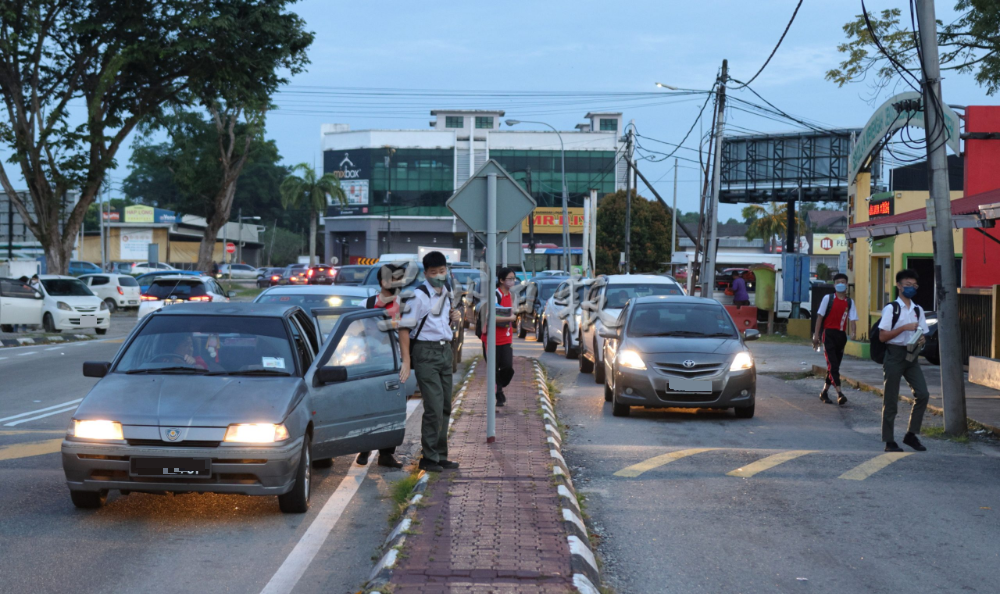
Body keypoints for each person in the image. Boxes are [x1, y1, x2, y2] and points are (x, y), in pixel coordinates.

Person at [399, 251, 462, 473]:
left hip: (445, 351)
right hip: (426, 353)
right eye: (433, 272)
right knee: (433, 406)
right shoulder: (418, 296)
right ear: (425, 273)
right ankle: (428, 457)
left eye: (442, 271)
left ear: (447, 271)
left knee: (445, 405)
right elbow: (404, 328)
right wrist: (406, 361)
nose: (438, 275)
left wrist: (455, 319)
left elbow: (443, 323)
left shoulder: (447, 291)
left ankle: (440, 456)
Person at [355, 264, 404, 469]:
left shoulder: (404, 304)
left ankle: (386, 454)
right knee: (368, 406)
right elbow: (354, 333)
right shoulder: (364, 304)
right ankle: (365, 446)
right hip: (369, 365)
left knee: (392, 409)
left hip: (394, 364)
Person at [878, 269, 930, 453]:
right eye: (907, 285)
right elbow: (883, 336)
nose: (911, 288)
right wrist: (903, 328)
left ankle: (911, 434)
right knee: (891, 398)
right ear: (898, 286)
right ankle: (889, 440)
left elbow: (923, 332)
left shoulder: (918, 309)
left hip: (912, 355)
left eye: (914, 285)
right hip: (894, 354)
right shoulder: (892, 308)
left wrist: (922, 338)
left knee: (923, 394)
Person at [813, 273, 857, 405]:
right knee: (833, 365)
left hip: (841, 336)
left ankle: (824, 392)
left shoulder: (849, 302)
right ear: (834, 285)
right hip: (829, 334)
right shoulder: (828, 298)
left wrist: (853, 332)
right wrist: (816, 335)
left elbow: (853, 318)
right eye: (838, 282)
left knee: (834, 366)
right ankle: (839, 393)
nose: (840, 284)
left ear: (847, 284)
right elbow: (820, 317)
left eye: (843, 282)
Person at [481, 267, 517, 408]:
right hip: (491, 339)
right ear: (501, 280)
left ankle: (498, 386)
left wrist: (512, 318)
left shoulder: (511, 295)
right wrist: (510, 318)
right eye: (509, 279)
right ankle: (498, 393)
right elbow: (491, 317)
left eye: (514, 279)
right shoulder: (496, 295)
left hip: (506, 338)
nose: (512, 281)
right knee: (494, 369)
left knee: (508, 367)